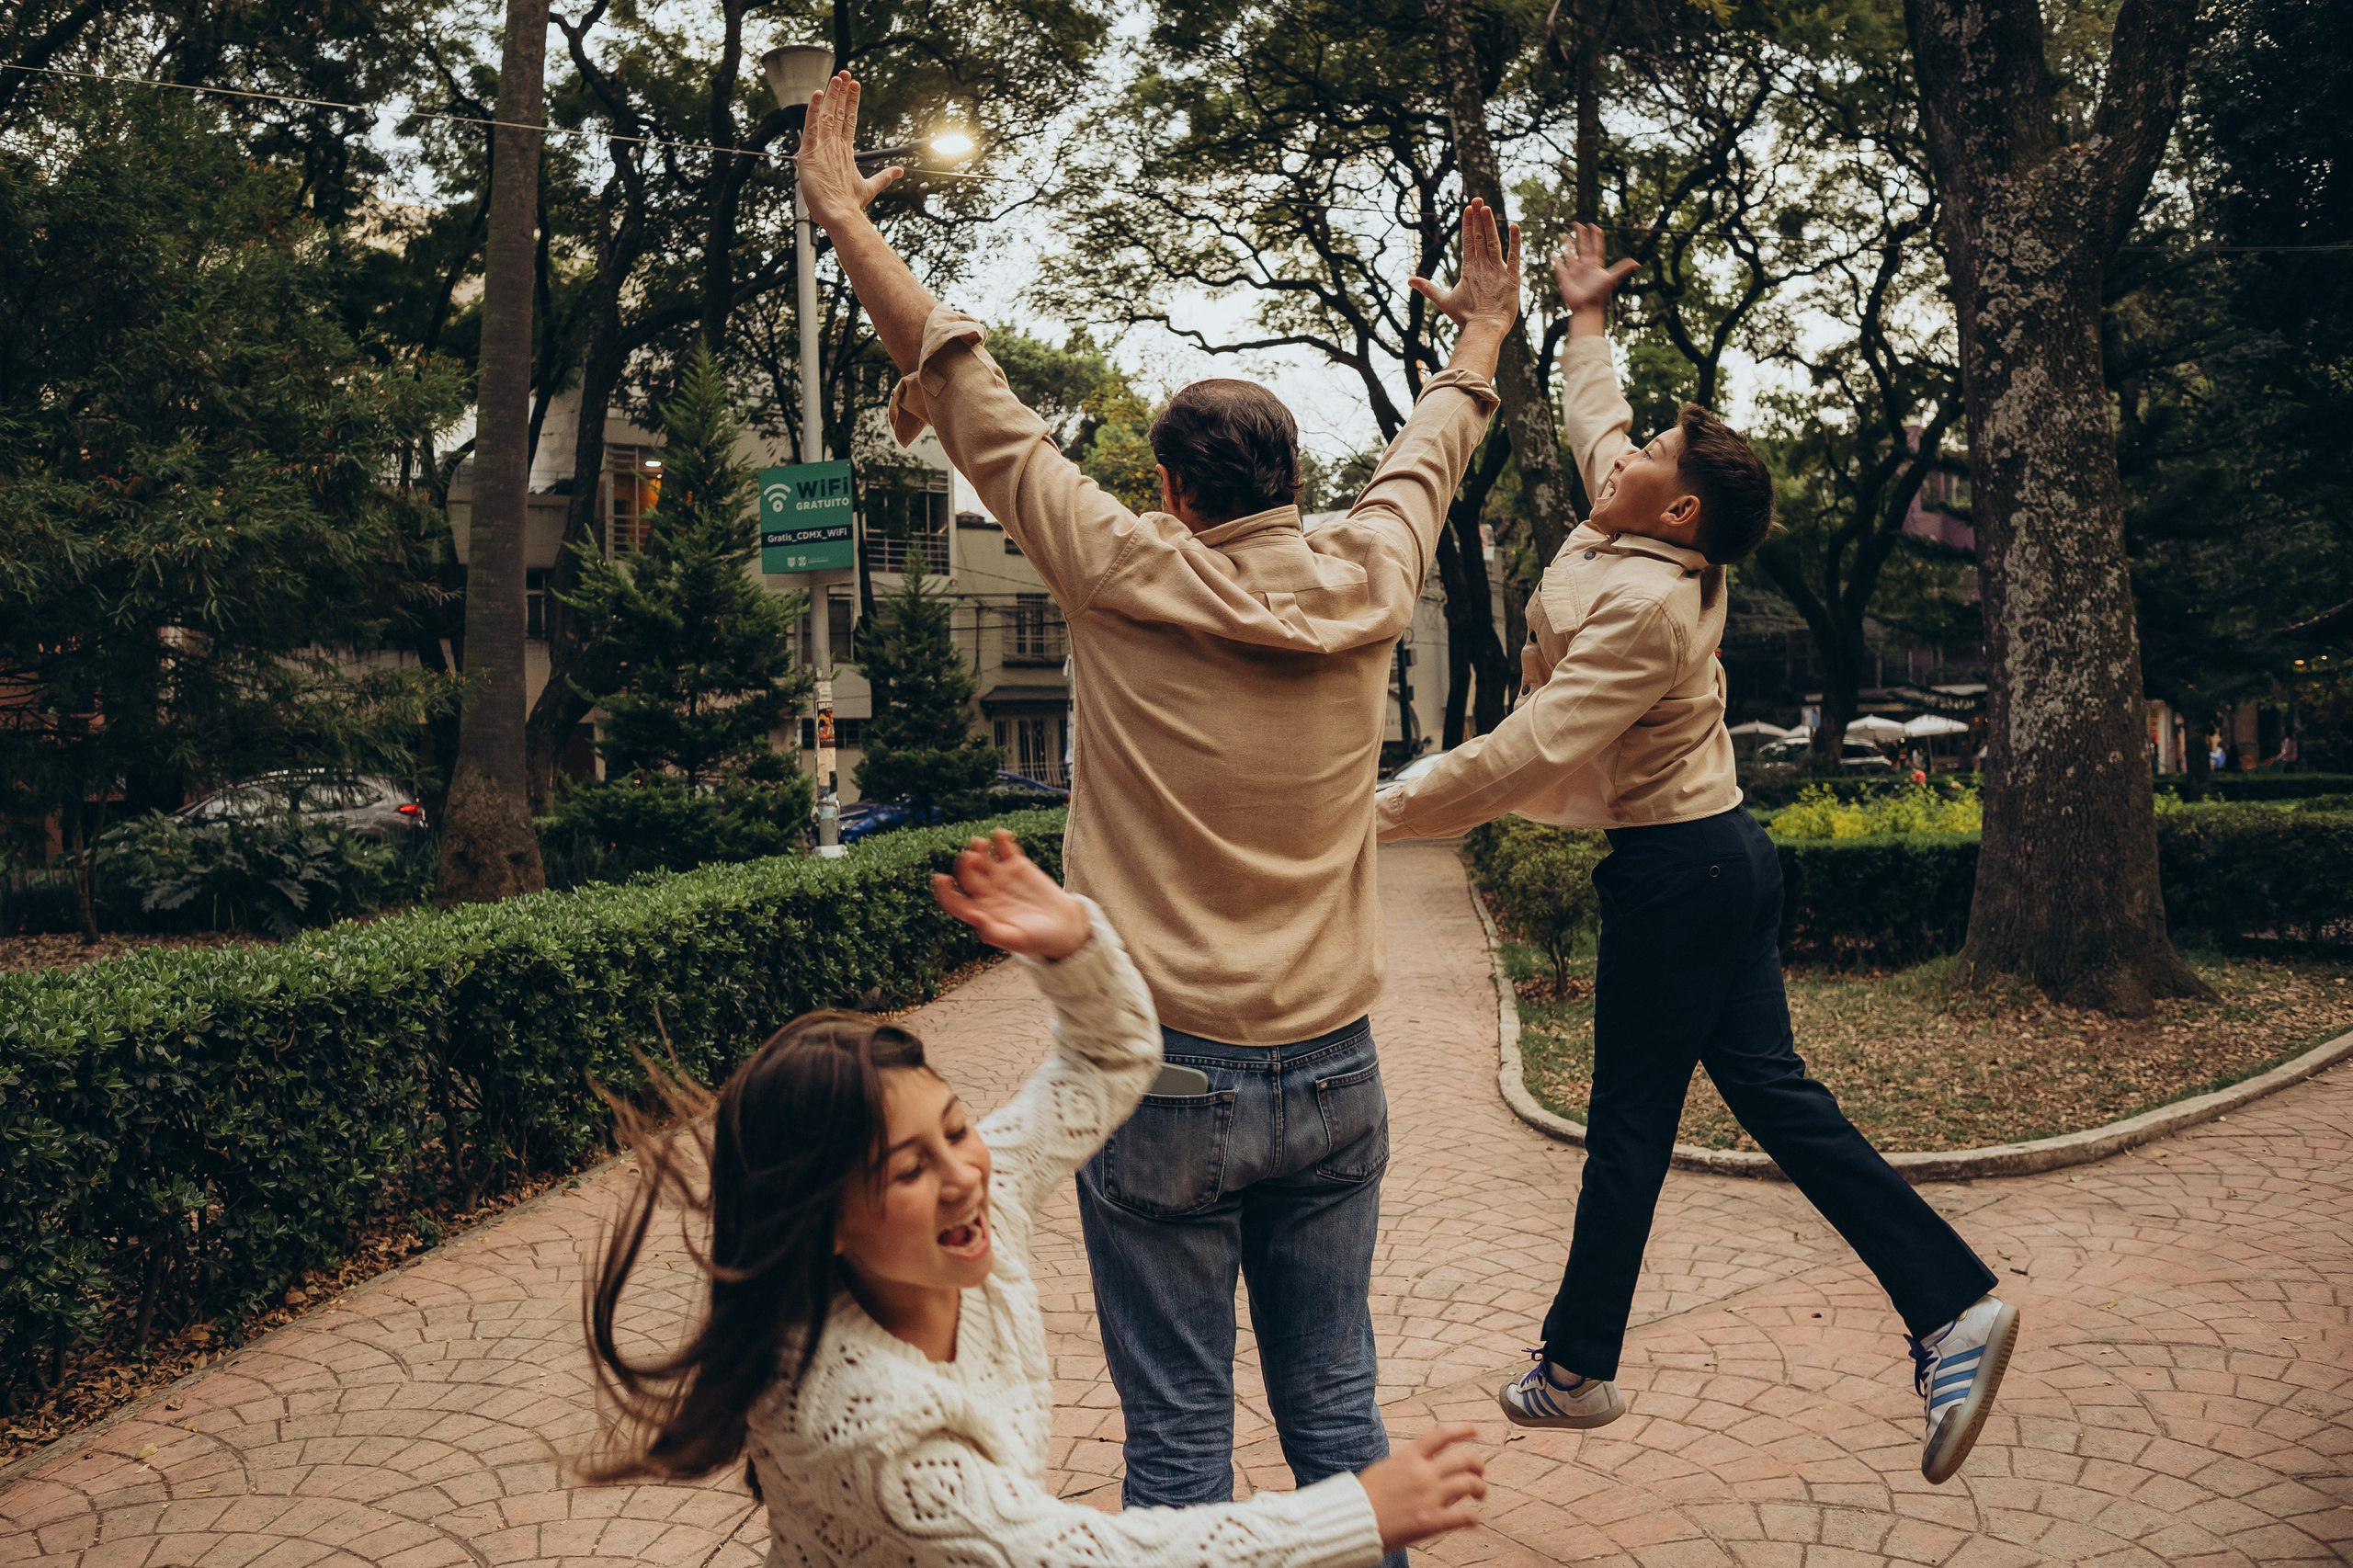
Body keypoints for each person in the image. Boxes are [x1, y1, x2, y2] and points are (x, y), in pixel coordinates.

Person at [794, 74, 1517, 1543]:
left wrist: (848, 225)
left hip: (1165, 1077)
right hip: (1338, 1079)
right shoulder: (1377, 574)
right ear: (1296, 480)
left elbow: (967, 384)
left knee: (1177, 1438)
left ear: (1175, 494)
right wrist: (1487, 333)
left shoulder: (1124, 568)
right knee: (1339, 1415)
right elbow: (1433, 448)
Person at [1375, 222, 2018, 1487]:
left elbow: (1524, 749)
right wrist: (1585, 319)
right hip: (1721, 855)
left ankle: (1575, 1369)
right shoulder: (1657, 528)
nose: (1617, 459)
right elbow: (1595, 417)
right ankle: (1949, 1309)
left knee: (1628, 1125)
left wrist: (1374, 808)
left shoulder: (1649, 610)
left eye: (1649, 458)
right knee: (1775, 1099)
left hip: (1681, 871)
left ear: (1674, 506)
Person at [583, 831, 1489, 1568]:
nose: (963, 1170)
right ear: (822, 1223)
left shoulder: (968, 1202)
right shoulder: (871, 1423)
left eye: (954, 1125)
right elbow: (1081, 1554)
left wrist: (1073, 948)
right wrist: (1350, 1512)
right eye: (908, 1168)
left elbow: (1104, 1064)